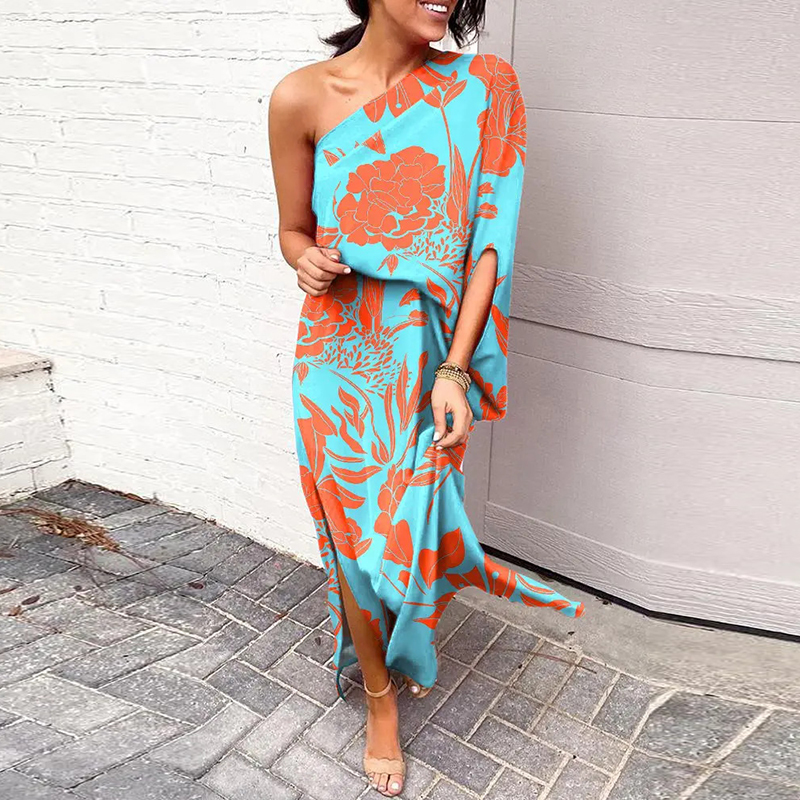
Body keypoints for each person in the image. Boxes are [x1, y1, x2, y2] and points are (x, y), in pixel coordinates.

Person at [269, 0, 586, 795]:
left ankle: (400, 645)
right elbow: (293, 229)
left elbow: (490, 243)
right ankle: (379, 696)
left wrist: (456, 371)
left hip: (429, 353)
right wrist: (303, 259)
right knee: (349, 530)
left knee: (407, 521)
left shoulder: (486, 87)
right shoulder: (301, 96)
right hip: (337, 351)